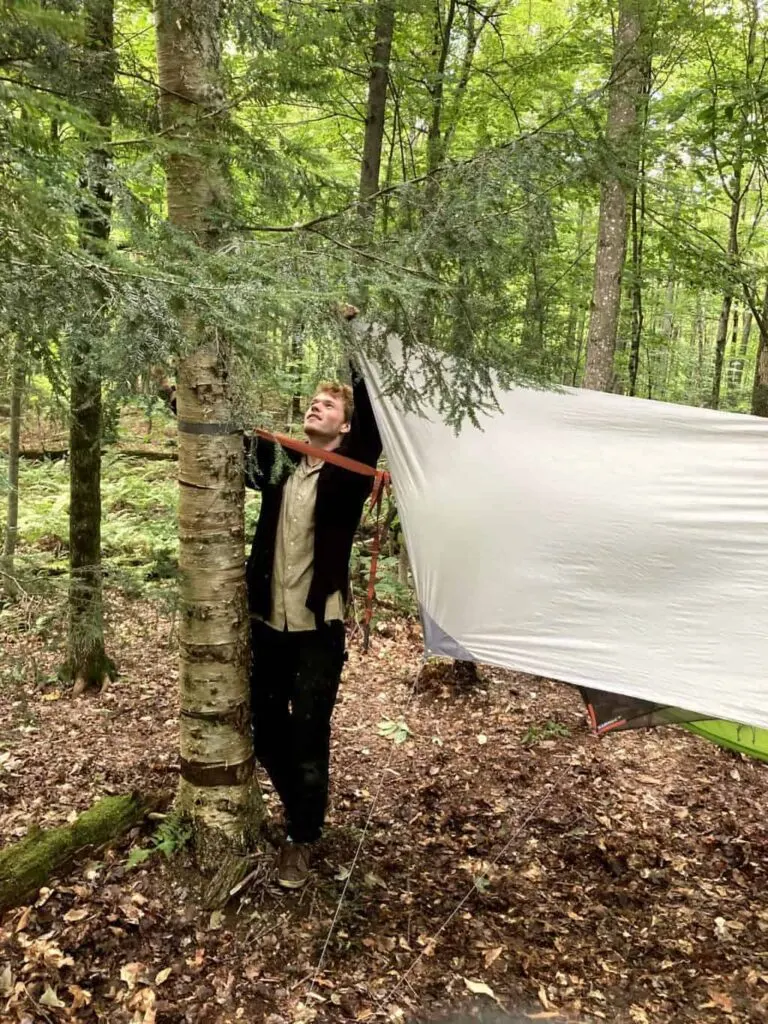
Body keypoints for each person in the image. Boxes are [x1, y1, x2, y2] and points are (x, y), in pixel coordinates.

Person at [244, 343, 382, 889]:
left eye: (329, 405)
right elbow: (220, 444)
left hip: (318, 623)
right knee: (264, 723)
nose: (316, 408)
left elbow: (371, 414)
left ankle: (303, 838)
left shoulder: (350, 471)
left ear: (345, 428)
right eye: (314, 402)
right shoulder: (279, 460)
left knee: (309, 730)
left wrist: (355, 341)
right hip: (267, 620)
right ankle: (300, 807)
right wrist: (171, 395)